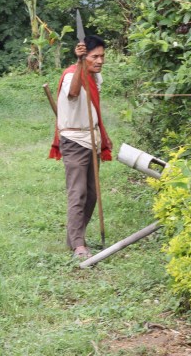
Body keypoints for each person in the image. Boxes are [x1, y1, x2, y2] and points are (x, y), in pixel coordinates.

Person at [49, 35, 113, 259]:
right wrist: (78, 64)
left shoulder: (95, 77)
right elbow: (74, 93)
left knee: (92, 194)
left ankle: (75, 236)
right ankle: (78, 245)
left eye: (102, 56)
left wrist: (103, 135)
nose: (100, 61)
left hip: (92, 139)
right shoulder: (71, 76)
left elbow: (93, 108)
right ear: (84, 56)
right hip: (75, 142)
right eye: (95, 56)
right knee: (78, 193)